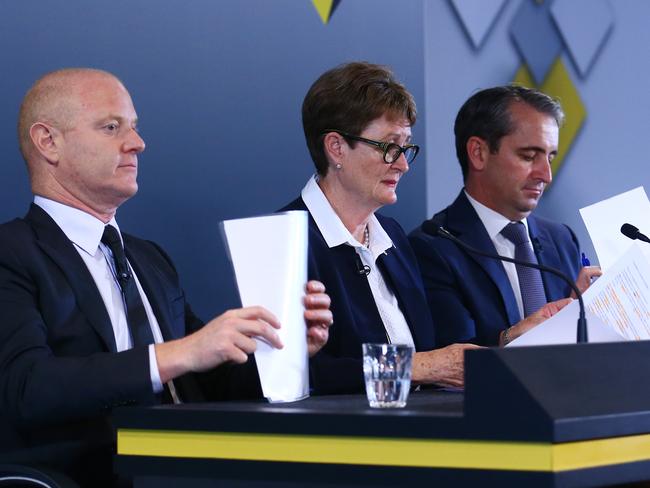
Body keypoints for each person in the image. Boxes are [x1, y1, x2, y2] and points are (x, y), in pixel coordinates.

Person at [0, 68, 332, 487]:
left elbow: (206, 385)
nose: (137, 143)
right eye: (111, 127)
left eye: (134, 128)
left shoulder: (148, 258)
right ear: (48, 142)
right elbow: (25, 387)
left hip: (189, 468)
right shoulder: (11, 254)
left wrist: (283, 345)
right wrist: (179, 353)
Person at [281, 61, 484, 395]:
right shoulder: (288, 242)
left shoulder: (393, 237)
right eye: (390, 147)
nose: (403, 164)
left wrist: (513, 338)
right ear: (336, 147)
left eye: (406, 147)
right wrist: (417, 366)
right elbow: (299, 374)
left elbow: (436, 355)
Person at [409, 85, 600, 347]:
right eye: (529, 156)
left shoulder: (561, 239)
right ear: (479, 153)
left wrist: (585, 319)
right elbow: (449, 362)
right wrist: (510, 339)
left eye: (550, 158)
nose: (546, 175)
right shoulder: (432, 247)